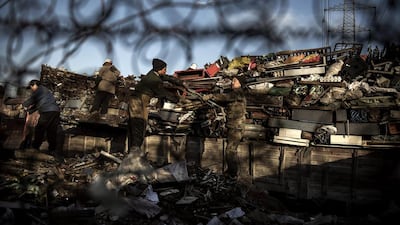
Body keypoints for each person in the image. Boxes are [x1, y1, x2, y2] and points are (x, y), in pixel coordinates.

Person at [127, 58, 184, 152]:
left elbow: (166, 77)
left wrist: (179, 82)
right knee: (138, 125)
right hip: (138, 102)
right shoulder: (154, 80)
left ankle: (134, 150)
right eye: (164, 69)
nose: (166, 71)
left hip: (141, 101)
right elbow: (163, 93)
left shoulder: (153, 73)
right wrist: (177, 99)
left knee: (140, 125)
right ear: (159, 69)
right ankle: (134, 152)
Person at [204, 77, 247, 179]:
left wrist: (211, 96)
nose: (232, 82)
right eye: (232, 80)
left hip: (237, 126)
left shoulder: (238, 93)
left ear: (240, 83)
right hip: (234, 125)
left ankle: (232, 174)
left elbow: (226, 97)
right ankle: (231, 172)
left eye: (235, 81)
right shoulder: (236, 94)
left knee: (230, 150)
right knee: (231, 150)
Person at [22, 79, 61, 154]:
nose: (31, 90)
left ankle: (35, 147)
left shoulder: (39, 89)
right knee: (51, 131)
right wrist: (30, 111)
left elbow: (32, 100)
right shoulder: (45, 91)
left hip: (47, 111)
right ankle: (52, 149)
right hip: (55, 111)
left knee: (40, 128)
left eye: (31, 87)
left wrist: (23, 105)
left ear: (34, 85)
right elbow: (38, 105)